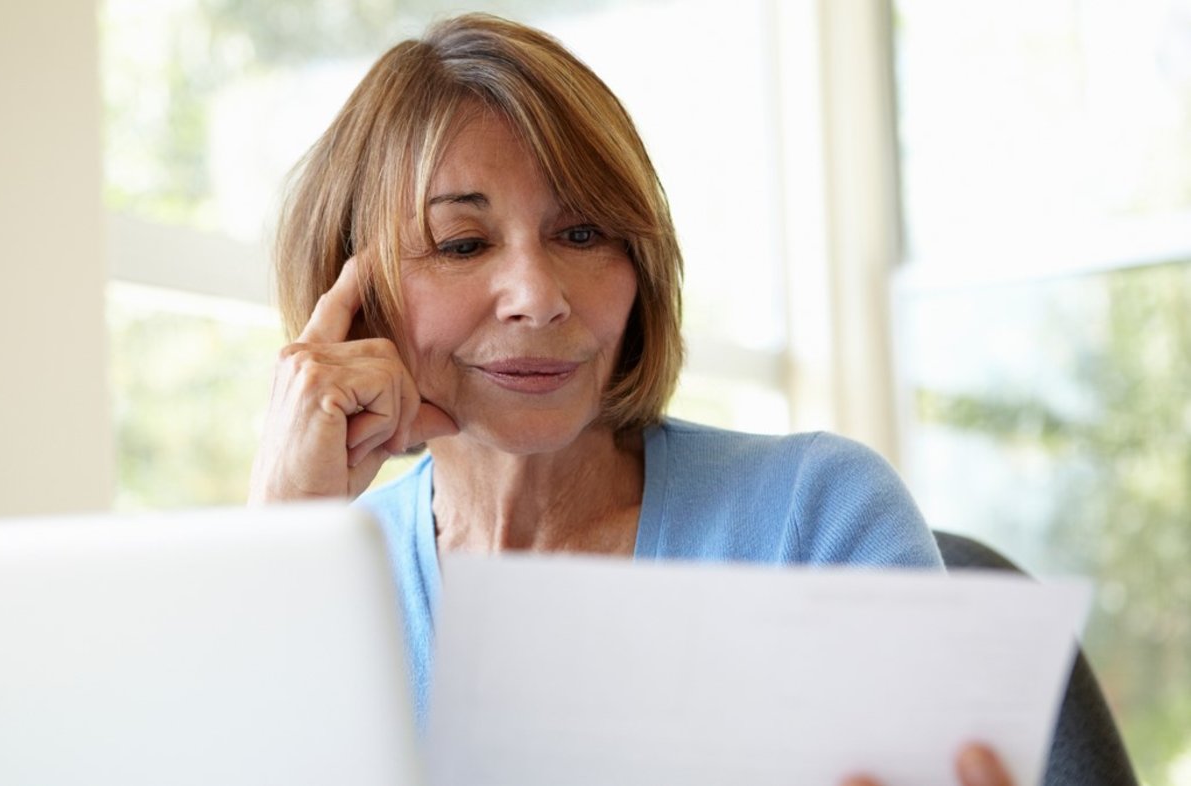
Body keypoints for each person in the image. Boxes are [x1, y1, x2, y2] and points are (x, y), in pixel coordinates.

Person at [250, 12, 1014, 786]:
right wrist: (284, 538)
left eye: (581, 234)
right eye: (463, 244)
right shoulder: (318, 577)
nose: (538, 298)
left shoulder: (814, 515)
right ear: (358, 297)